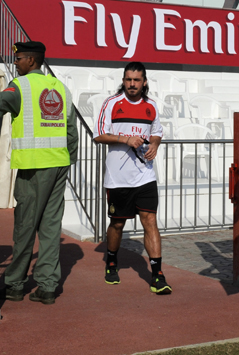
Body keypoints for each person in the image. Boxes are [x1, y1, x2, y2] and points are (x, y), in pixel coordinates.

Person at [0, 41, 78, 304]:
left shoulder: (20, 86)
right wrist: (67, 161)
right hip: (59, 165)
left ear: (31, 61)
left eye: (19, 58)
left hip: (33, 167)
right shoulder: (61, 88)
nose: (15, 63)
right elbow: (72, 132)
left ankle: (14, 284)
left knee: (25, 227)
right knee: (50, 227)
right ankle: (47, 286)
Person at [93, 62, 172, 295]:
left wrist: (155, 145)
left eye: (137, 80)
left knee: (150, 221)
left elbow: (157, 132)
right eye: (128, 80)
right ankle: (111, 261)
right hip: (118, 179)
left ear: (144, 82)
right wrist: (126, 140)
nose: (132, 84)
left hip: (145, 175)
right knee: (117, 223)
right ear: (123, 80)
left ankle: (157, 275)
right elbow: (98, 136)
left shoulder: (151, 106)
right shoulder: (112, 103)